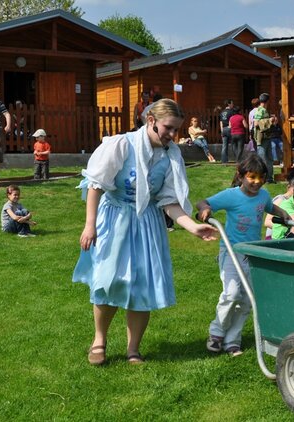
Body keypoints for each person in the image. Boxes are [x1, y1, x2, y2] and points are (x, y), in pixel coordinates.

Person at [72, 99, 217, 366]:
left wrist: (192, 226)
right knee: (109, 280)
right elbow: (95, 185)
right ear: (151, 121)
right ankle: (99, 341)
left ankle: (133, 349)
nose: (173, 135)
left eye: (176, 130)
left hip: (147, 223)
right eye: (169, 128)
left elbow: (169, 202)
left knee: (142, 285)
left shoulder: (170, 155)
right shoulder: (121, 145)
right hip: (115, 218)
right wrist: (89, 225)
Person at [197, 155, 290, 356]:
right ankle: (217, 333)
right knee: (231, 294)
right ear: (241, 176)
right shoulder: (231, 195)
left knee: (248, 300)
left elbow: (269, 207)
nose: (256, 182)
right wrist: (204, 209)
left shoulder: (263, 195)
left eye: (261, 177)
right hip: (231, 251)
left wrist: (281, 213)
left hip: (252, 253)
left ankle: (233, 339)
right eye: (252, 177)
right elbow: (203, 202)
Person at [264, 170, 294, 239]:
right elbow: (267, 222)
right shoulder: (280, 200)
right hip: (272, 237)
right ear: (288, 187)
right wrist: (286, 229)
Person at [253, 93, 276, 183]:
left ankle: (269, 178)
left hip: (267, 137)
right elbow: (256, 123)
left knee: (269, 158)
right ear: (267, 101)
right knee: (262, 159)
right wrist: (269, 120)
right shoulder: (260, 110)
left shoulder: (264, 110)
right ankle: (262, 178)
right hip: (261, 138)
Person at [219, 99, 235, 163]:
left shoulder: (222, 112)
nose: (233, 105)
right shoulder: (232, 111)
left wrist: (222, 130)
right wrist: (231, 127)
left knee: (224, 146)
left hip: (224, 129)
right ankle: (237, 159)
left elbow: (221, 122)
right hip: (230, 128)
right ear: (229, 104)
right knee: (234, 145)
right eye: (232, 103)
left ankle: (224, 160)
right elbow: (232, 120)